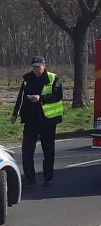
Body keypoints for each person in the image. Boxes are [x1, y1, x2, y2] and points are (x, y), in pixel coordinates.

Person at [11, 56, 64, 187]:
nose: (36, 69)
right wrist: (15, 114)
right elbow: (20, 98)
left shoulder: (53, 78)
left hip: (47, 120)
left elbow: (58, 96)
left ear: (44, 65)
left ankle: (48, 177)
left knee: (48, 150)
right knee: (27, 151)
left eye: (38, 66)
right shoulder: (27, 79)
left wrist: (40, 98)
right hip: (30, 120)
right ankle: (29, 178)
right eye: (34, 66)